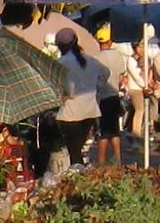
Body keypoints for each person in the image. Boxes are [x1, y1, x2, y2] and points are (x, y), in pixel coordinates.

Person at [53, 27, 107, 167]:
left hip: (70, 113)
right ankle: (79, 175)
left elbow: (63, 87)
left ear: (60, 46)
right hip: (89, 111)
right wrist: (95, 88)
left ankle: (77, 177)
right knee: (77, 150)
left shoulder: (61, 62)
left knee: (74, 152)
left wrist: (65, 95)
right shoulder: (90, 60)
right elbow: (106, 73)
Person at [92, 24, 128, 166]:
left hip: (101, 98)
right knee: (114, 130)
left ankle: (101, 161)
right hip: (114, 96)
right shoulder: (117, 56)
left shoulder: (96, 59)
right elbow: (121, 74)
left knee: (102, 132)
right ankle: (118, 159)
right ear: (110, 41)